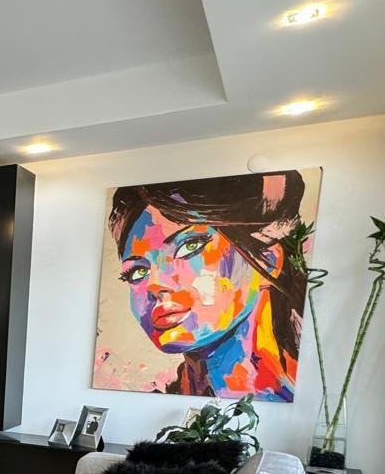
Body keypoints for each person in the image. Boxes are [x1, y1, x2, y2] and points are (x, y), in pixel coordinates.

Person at [105, 171, 307, 400]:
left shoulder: (313, 397)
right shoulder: (162, 401)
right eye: (137, 272)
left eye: (189, 247)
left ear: (266, 261)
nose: (154, 284)